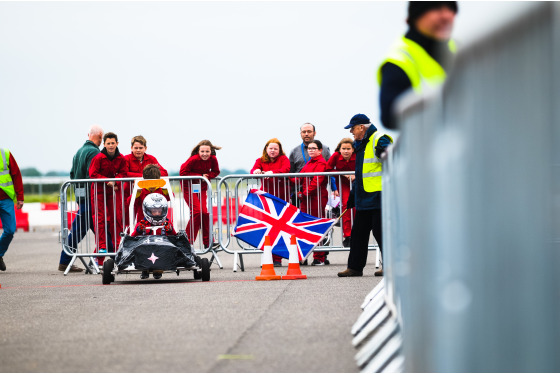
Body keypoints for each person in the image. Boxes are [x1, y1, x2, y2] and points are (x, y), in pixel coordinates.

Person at [378, 1, 458, 129]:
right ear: (416, 16)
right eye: (436, 8)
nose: (447, 15)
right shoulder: (400, 59)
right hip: (430, 145)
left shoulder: (460, 49)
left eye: (451, 9)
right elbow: (390, 117)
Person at [338, 114, 393, 277]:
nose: (351, 133)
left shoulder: (379, 139)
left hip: (379, 195)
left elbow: (394, 159)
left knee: (380, 232)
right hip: (364, 196)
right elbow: (361, 173)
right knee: (358, 233)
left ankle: (390, 266)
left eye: (352, 129)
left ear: (361, 127)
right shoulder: (361, 144)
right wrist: (353, 196)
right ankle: (355, 267)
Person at [59, 125, 104, 272]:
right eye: (102, 139)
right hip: (90, 197)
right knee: (80, 230)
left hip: (80, 195)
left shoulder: (78, 152)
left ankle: (101, 258)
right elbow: (93, 174)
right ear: (99, 137)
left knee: (101, 231)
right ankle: (65, 261)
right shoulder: (93, 152)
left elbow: (72, 174)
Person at [89, 132, 128, 266]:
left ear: (117, 143)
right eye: (108, 143)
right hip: (99, 192)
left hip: (113, 192)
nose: (111, 146)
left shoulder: (121, 158)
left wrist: (116, 182)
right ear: (104, 144)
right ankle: (101, 249)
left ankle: (118, 249)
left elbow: (124, 172)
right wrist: (108, 181)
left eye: (113, 143)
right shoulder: (98, 158)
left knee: (116, 219)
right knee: (100, 219)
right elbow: (92, 174)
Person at [250, 138, 291, 266]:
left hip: (281, 198)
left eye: (275, 149)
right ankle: (268, 257)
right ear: (266, 149)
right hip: (266, 198)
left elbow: (286, 169)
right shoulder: (260, 160)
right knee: (267, 229)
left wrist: (272, 172)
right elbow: (253, 170)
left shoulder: (284, 159)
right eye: (270, 148)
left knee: (280, 229)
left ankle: (277, 258)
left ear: (279, 150)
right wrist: (256, 171)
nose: (272, 151)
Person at [292, 140, 329, 266]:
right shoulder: (310, 163)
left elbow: (316, 181)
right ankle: (304, 255)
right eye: (309, 148)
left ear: (320, 150)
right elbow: (299, 177)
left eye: (314, 148)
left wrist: (305, 193)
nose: (311, 150)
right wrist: (283, 176)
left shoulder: (321, 163)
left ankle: (319, 257)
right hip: (307, 199)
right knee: (304, 226)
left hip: (316, 198)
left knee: (317, 226)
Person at [180, 140, 220, 248]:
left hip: (201, 188)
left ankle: (208, 242)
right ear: (198, 151)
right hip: (189, 187)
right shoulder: (193, 159)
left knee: (204, 213)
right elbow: (182, 173)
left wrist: (208, 176)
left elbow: (216, 171)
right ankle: (187, 241)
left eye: (207, 151)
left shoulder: (213, 159)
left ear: (211, 151)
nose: (205, 154)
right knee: (197, 212)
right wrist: (200, 175)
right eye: (202, 151)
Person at [123, 135, 168, 225]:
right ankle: (128, 236)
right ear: (131, 148)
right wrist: (145, 177)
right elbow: (124, 174)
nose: (138, 150)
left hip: (146, 195)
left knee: (143, 217)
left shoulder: (151, 158)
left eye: (141, 148)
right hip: (128, 193)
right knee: (127, 220)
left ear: (145, 148)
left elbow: (163, 172)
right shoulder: (126, 159)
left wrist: (143, 179)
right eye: (136, 148)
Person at [132, 192, 176, 280]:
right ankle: (145, 270)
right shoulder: (142, 223)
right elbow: (132, 238)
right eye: (154, 211)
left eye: (159, 211)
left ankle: (158, 270)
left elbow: (175, 237)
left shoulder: (167, 222)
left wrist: (170, 229)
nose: (157, 214)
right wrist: (139, 230)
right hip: (145, 252)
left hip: (162, 251)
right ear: (148, 211)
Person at [326, 138, 356, 248]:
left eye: (349, 149)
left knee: (357, 208)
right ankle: (347, 235)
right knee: (346, 207)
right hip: (343, 184)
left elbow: (364, 167)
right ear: (340, 149)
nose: (346, 151)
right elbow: (328, 169)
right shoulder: (335, 156)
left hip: (357, 183)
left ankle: (356, 234)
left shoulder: (357, 155)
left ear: (353, 149)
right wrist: (343, 174)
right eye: (344, 149)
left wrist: (355, 175)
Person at [0, 148, 24, 272]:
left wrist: (20, 197)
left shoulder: (5, 154)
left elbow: (16, 175)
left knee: (9, 230)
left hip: (6, 199)